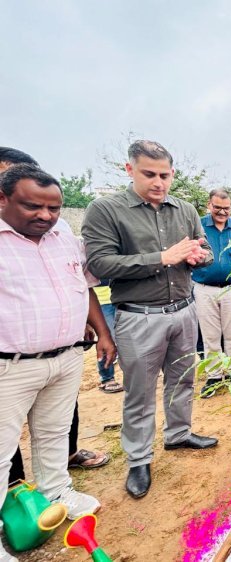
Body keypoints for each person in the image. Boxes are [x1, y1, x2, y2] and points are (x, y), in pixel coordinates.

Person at [81, 140, 218, 500]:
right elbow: (100, 264)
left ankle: (178, 434)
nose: (158, 182)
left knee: (183, 379)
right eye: (149, 174)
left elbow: (203, 247)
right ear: (129, 170)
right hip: (139, 317)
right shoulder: (105, 210)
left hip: (184, 311)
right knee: (140, 392)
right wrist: (163, 257)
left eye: (165, 175)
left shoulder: (184, 208)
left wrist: (198, 256)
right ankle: (139, 459)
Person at [0, 164, 116, 561]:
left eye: (54, 208)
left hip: (65, 358)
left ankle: (56, 491)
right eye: (34, 206)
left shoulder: (64, 235)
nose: (46, 217)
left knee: (54, 433)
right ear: (3, 199)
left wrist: (102, 332)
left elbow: (83, 288)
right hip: (9, 365)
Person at [192, 189, 231, 399]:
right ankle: (214, 376)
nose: (222, 212)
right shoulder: (197, 226)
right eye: (217, 207)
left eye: (226, 208)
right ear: (209, 205)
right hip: (204, 288)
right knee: (210, 335)